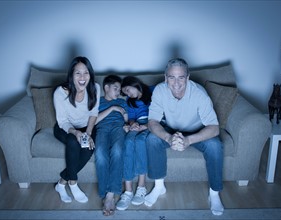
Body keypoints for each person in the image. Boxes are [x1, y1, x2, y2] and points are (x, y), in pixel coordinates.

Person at [145, 58, 224, 216]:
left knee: (215, 146)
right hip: (171, 129)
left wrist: (188, 140)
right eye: (171, 77)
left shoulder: (199, 94)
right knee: (152, 139)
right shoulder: (160, 90)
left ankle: (214, 194)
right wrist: (168, 138)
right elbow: (152, 122)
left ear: (188, 77)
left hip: (196, 131)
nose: (176, 82)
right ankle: (159, 186)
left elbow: (214, 128)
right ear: (166, 77)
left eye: (181, 77)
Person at [53, 56, 100, 204]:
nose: (82, 77)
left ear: (90, 75)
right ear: (71, 75)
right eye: (77, 73)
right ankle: (73, 183)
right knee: (73, 142)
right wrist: (76, 132)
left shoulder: (95, 88)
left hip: (87, 127)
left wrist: (88, 133)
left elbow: (93, 113)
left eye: (86, 73)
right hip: (65, 128)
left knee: (88, 147)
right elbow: (62, 121)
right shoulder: (60, 92)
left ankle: (61, 183)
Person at [116, 76, 152, 211]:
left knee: (140, 141)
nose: (128, 94)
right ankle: (128, 191)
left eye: (127, 90)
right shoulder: (129, 101)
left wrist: (146, 126)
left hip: (152, 124)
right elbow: (130, 117)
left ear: (134, 84)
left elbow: (162, 114)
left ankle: (141, 187)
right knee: (128, 141)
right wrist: (133, 124)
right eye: (125, 93)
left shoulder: (153, 91)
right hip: (137, 125)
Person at [94, 75, 128, 216]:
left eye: (119, 90)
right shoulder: (98, 102)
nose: (118, 92)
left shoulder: (122, 102)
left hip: (118, 128)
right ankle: (104, 192)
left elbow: (126, 118)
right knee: (100, 154)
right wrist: (113, 108)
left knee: (117, 151)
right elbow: (94, 121)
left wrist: (127, 124)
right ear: (106, 88)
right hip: (102, 128)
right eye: (115, 88)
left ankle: (110, 195)